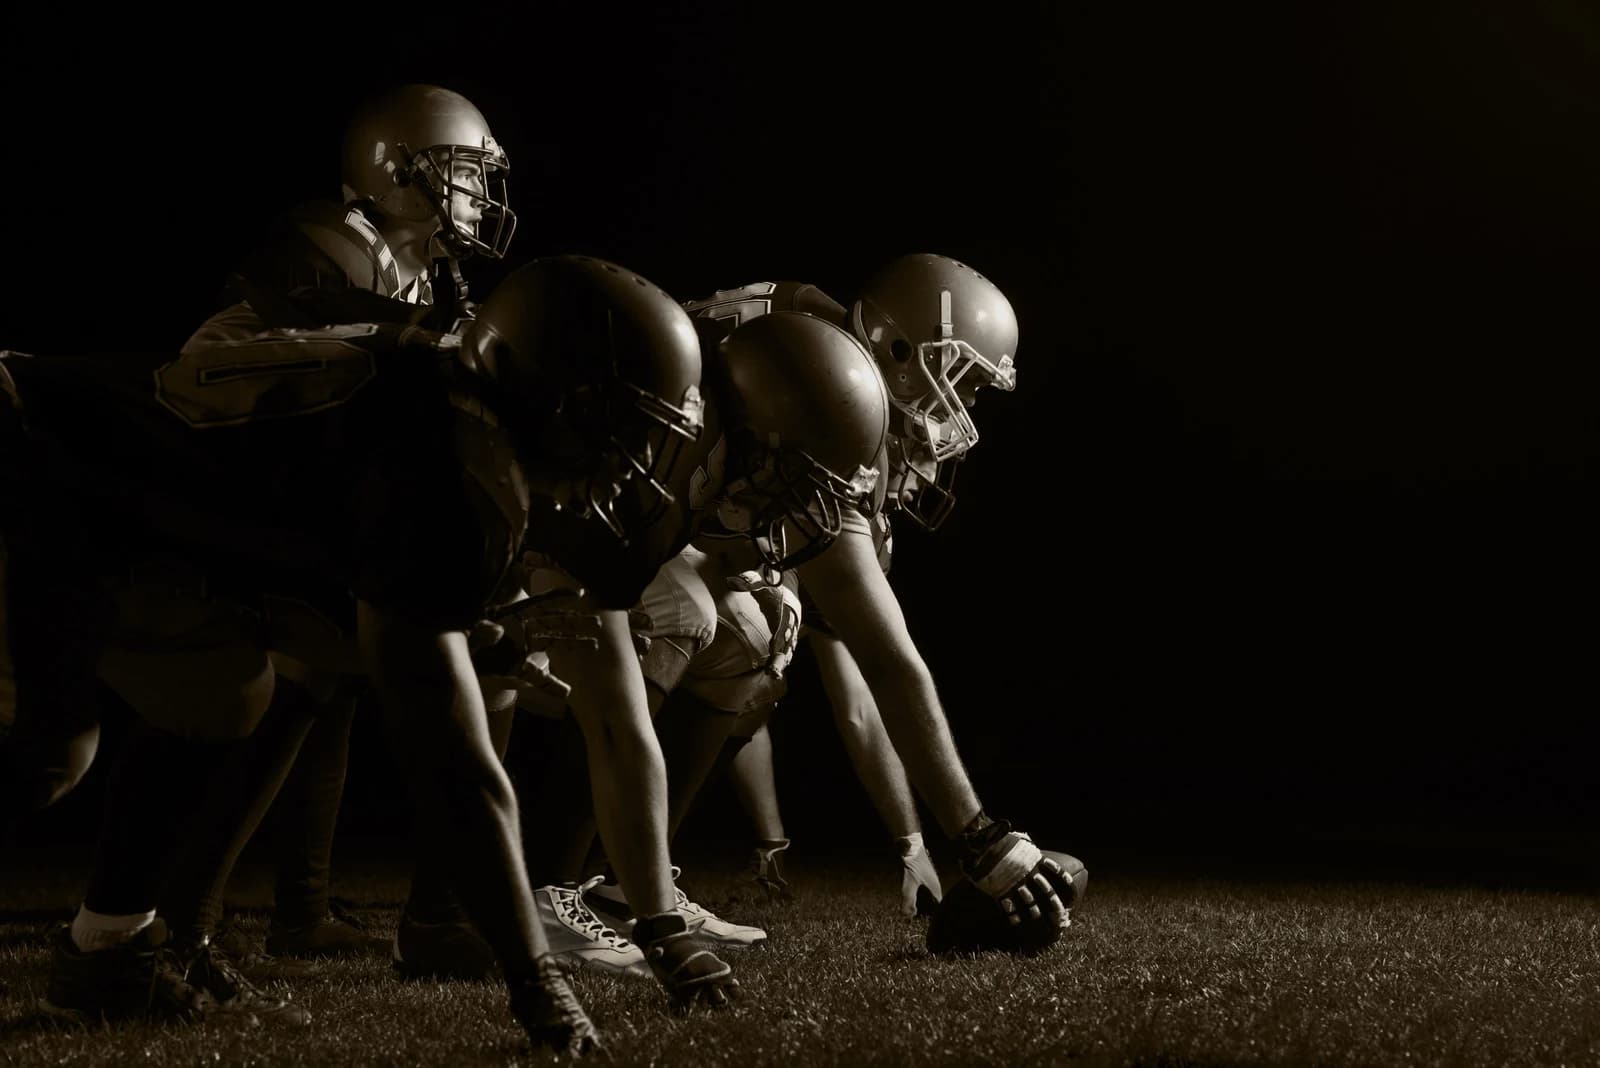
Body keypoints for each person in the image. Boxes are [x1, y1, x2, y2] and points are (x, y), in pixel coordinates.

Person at [0, 253, 727, 1052]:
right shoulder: (455, 471)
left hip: (104, 516)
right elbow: (454, 764)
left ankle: (108, 951)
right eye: (612, 424)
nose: (622, 461)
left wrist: (487, 638)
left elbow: (334, 619)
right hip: (25, 459)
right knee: (45, 751)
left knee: (219, 692)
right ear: (540, 387)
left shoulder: (436, 402)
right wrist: (536, 980)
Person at [687, 254, 1021, 920]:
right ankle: (584, 875)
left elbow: (861, 694)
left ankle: (616, 870)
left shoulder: (826, 348)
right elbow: (885, 668)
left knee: (756, 631)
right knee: (743, 620)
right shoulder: (827, 390)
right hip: (591, 501)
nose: (963, 413)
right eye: (964, 380)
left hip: (644, 508)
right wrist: (977, 836)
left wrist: (910, 842)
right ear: (901, 348)